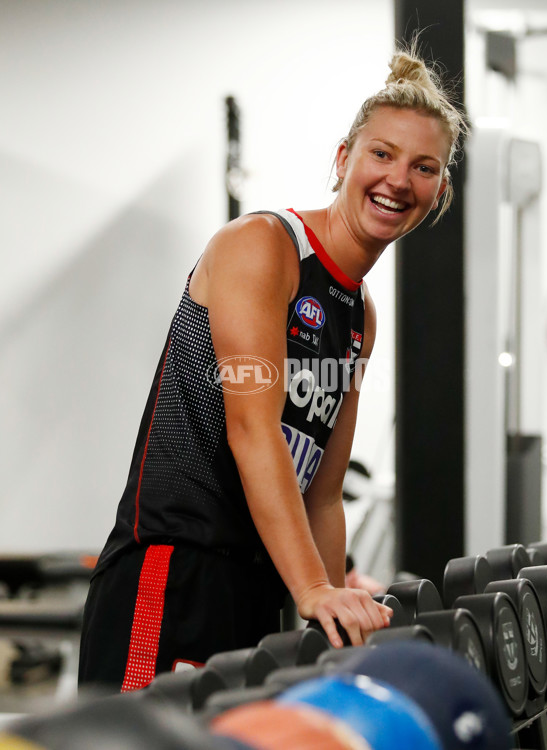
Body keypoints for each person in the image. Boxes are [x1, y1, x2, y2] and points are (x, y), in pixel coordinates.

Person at [78, 43, 468, 692]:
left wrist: (338, 604)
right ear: (344, 159)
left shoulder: (360, 314)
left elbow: (322, 490)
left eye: (423, 168)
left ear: (440, 190)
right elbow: (253, 430)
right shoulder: (262, 247)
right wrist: (315, 586)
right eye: (382, 154)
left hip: (258, 591)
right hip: (174, 571)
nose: (399, 180)